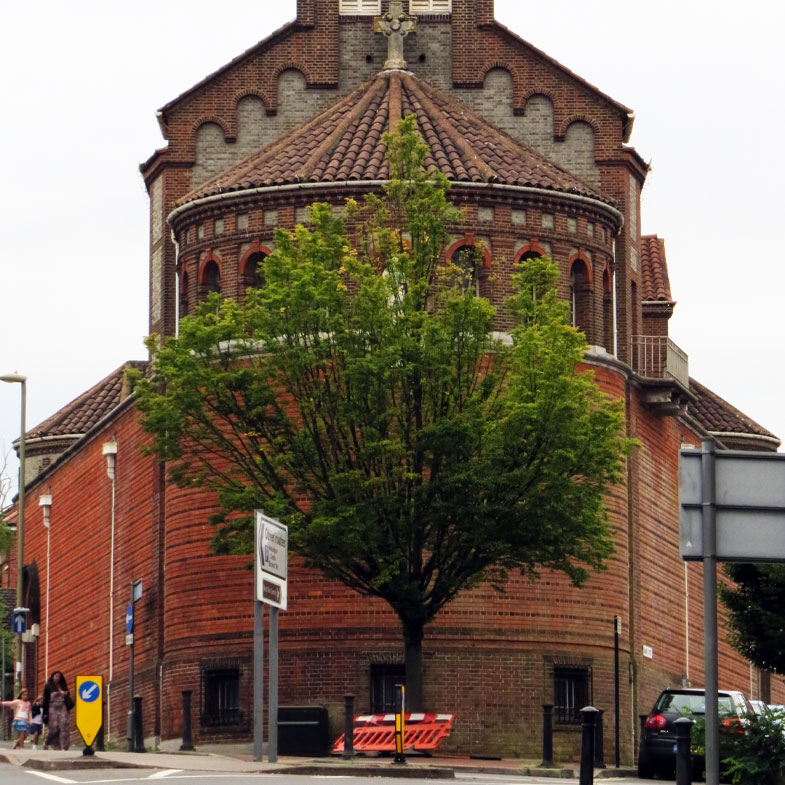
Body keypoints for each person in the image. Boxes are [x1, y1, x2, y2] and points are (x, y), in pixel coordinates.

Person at [43, 671, 72, 750]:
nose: (57, 678)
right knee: (53, 728)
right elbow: (45, 699)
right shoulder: (48, 686)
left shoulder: (63, 686)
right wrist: (45, 713)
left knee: (64, 726)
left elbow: (67, 695)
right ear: (52, 677)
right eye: (56, 676)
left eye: (59, 676)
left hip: (62, 707)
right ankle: (48, 742)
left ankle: (64, 746)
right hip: (52, 707)